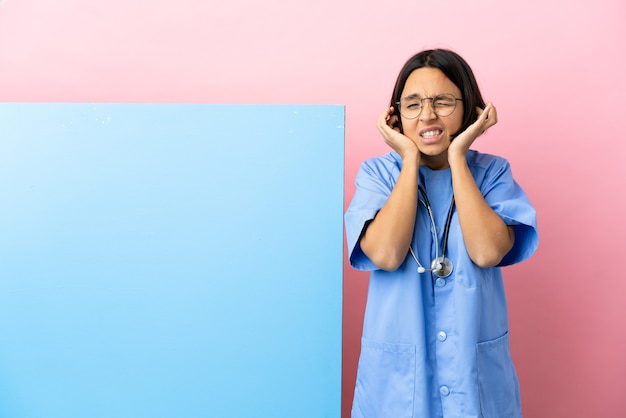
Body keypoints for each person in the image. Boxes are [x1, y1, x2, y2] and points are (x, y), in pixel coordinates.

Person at [344, 48, 539, 418]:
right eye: (413, 104)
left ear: (470, 109)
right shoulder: (377, 176)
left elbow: (486, 252)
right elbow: (385, 254)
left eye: (443, 101)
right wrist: (408, 159)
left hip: (473, 377)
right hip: (397, 382)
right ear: (396, 116)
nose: (428, 115)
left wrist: (458, 156)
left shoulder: (492, 174)